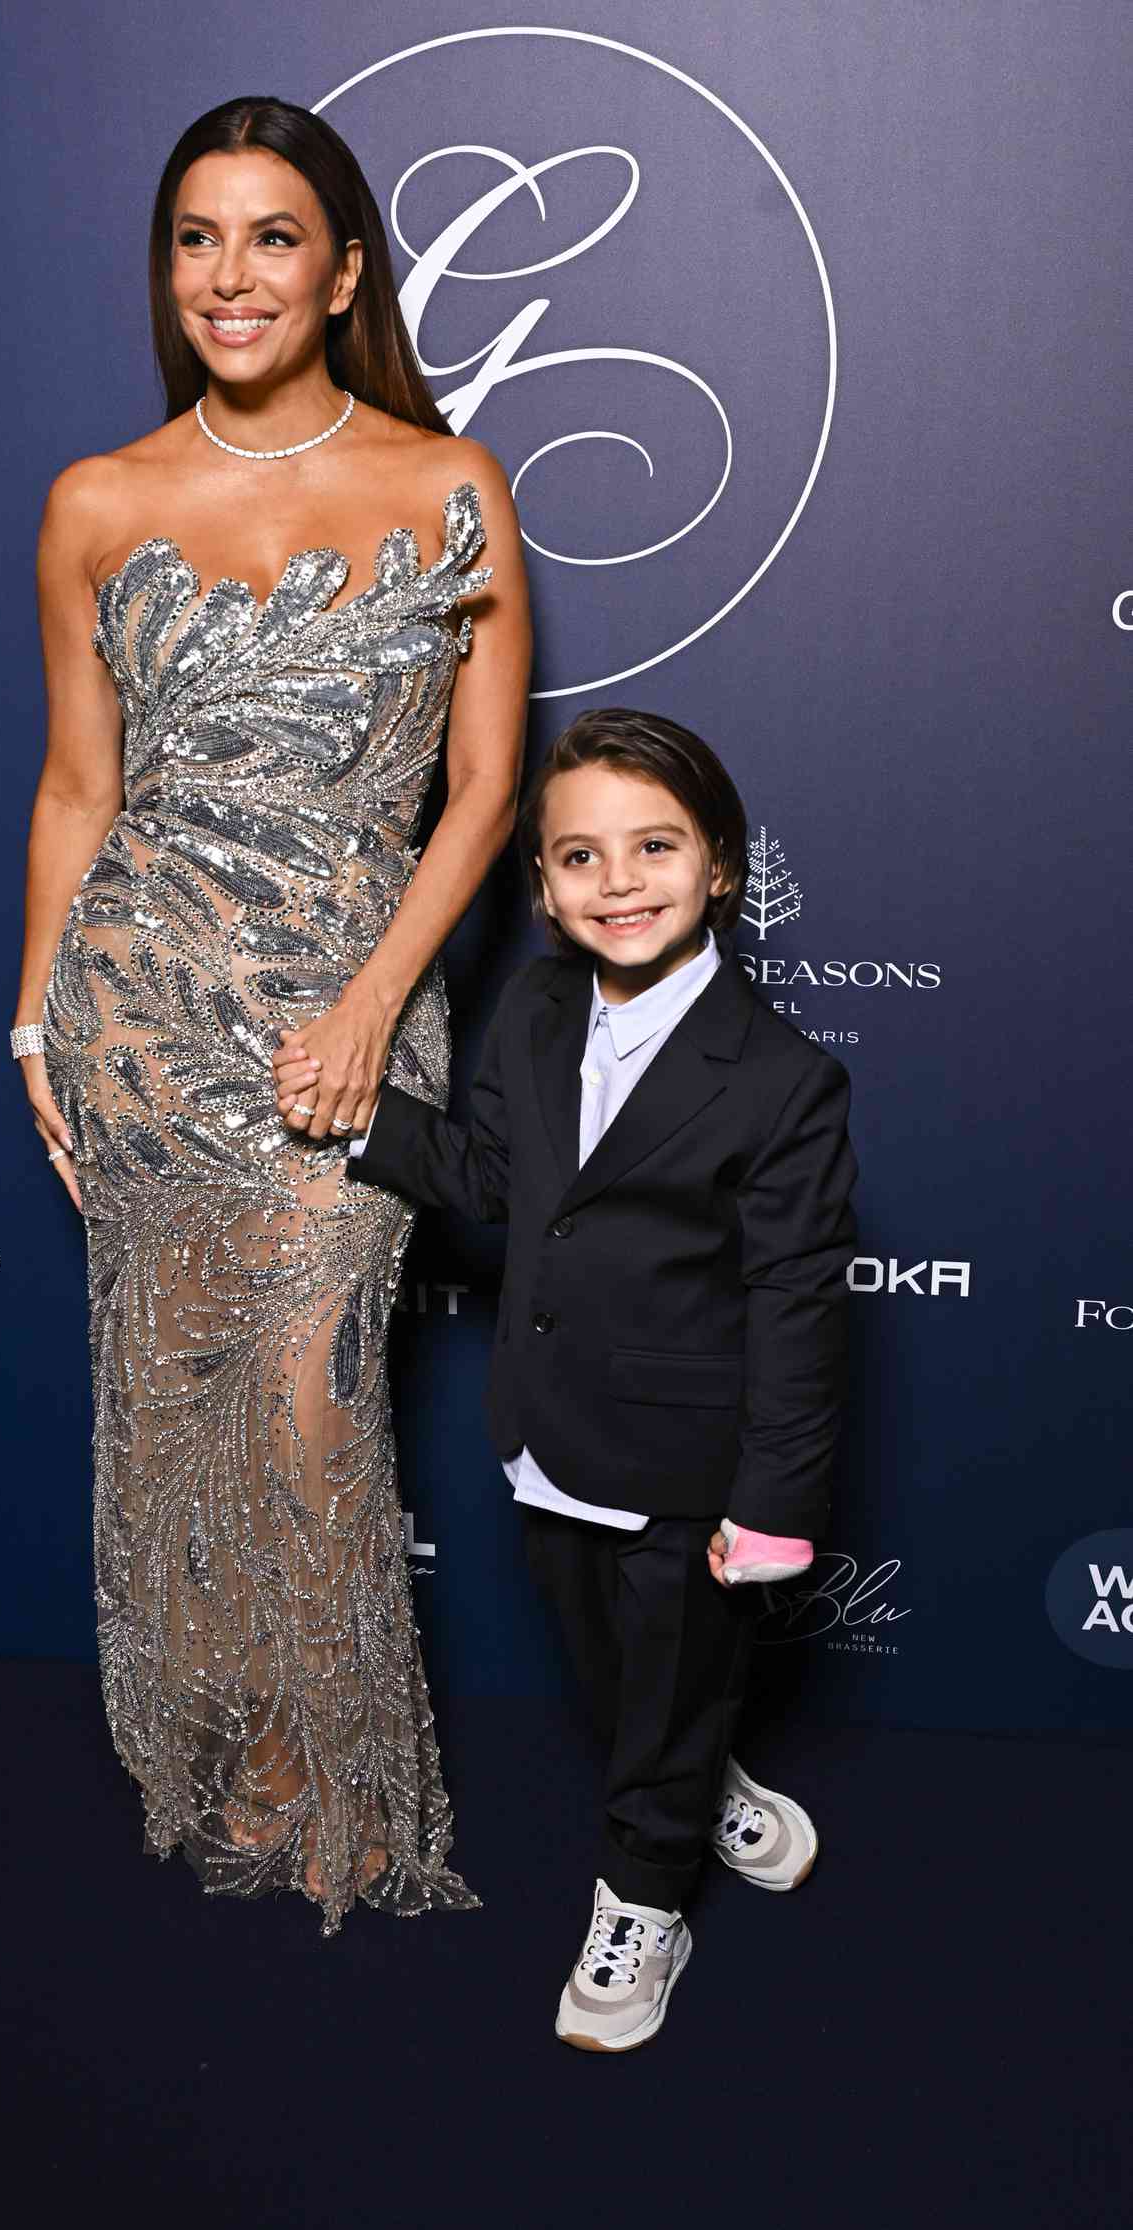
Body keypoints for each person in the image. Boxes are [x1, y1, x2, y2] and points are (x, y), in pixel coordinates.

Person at [11, 95, 530, 1933]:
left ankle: (340, 1772)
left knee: (310, 1402)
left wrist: (376, 1006)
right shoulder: (97, 500)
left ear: (344, 269)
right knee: (174, 1405)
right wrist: (35, 1025)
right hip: (140, 1015)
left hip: (344, 1014)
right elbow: (80, 788)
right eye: (197, 238)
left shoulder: (449, 483)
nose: (230, 276)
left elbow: (483, 793)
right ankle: (248, 1756)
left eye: (273, 236)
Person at [277, 709, 857, 2033]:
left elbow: (797, 1307)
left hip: (689, 1472)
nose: (620, 882)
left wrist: (773, 1503)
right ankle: (697, 1779)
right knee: (619, 1682)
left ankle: (645, 1892)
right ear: (542, 884)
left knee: (671, 1693)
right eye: (581, 856)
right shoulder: (537, 1010)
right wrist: (361, 1118)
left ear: (719, 863)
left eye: (656, 846)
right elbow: (494, 1178)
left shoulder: (784, 1081)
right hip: (546, 1437)